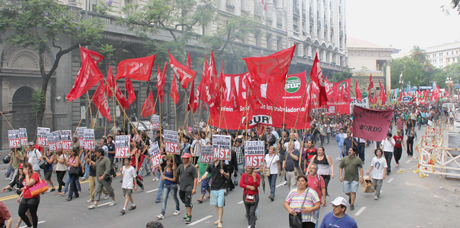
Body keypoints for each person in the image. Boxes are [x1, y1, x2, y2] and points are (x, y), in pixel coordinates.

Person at [199, 159, 229, 228]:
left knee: (220, 204)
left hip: (221, 187)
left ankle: (219, 221)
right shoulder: (210, 166)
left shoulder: (223, 165)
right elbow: (206, 174)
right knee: (216, 204)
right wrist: (200, 179)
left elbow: (228, 176)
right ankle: (219, 219)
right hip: (213, 187)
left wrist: (224, 173)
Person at [176, 153, 198, 224]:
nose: (183, 159)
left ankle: (189, 216)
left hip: (189, 187)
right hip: (182, 187)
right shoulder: (180, 166)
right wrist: (173, 169)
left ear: (188, 159)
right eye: (183, 158)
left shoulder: (192, 167)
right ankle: (188, 208)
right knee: (183, 199)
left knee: (187, 201)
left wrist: (194, 188)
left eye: (185, 158)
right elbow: (176, 174)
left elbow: (195, 178)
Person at [18, 162, 40, 228]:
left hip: (33, 197)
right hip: (25, 196)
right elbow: (25, 187)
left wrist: (27, 174)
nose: (23, 170)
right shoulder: (25, 176)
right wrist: (20, 196)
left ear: (28, 169)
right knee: (21, 213)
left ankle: (34, 226)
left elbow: (29, 183)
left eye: (24, 169)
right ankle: (29, 225)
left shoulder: (35, 174)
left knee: (33, 214)